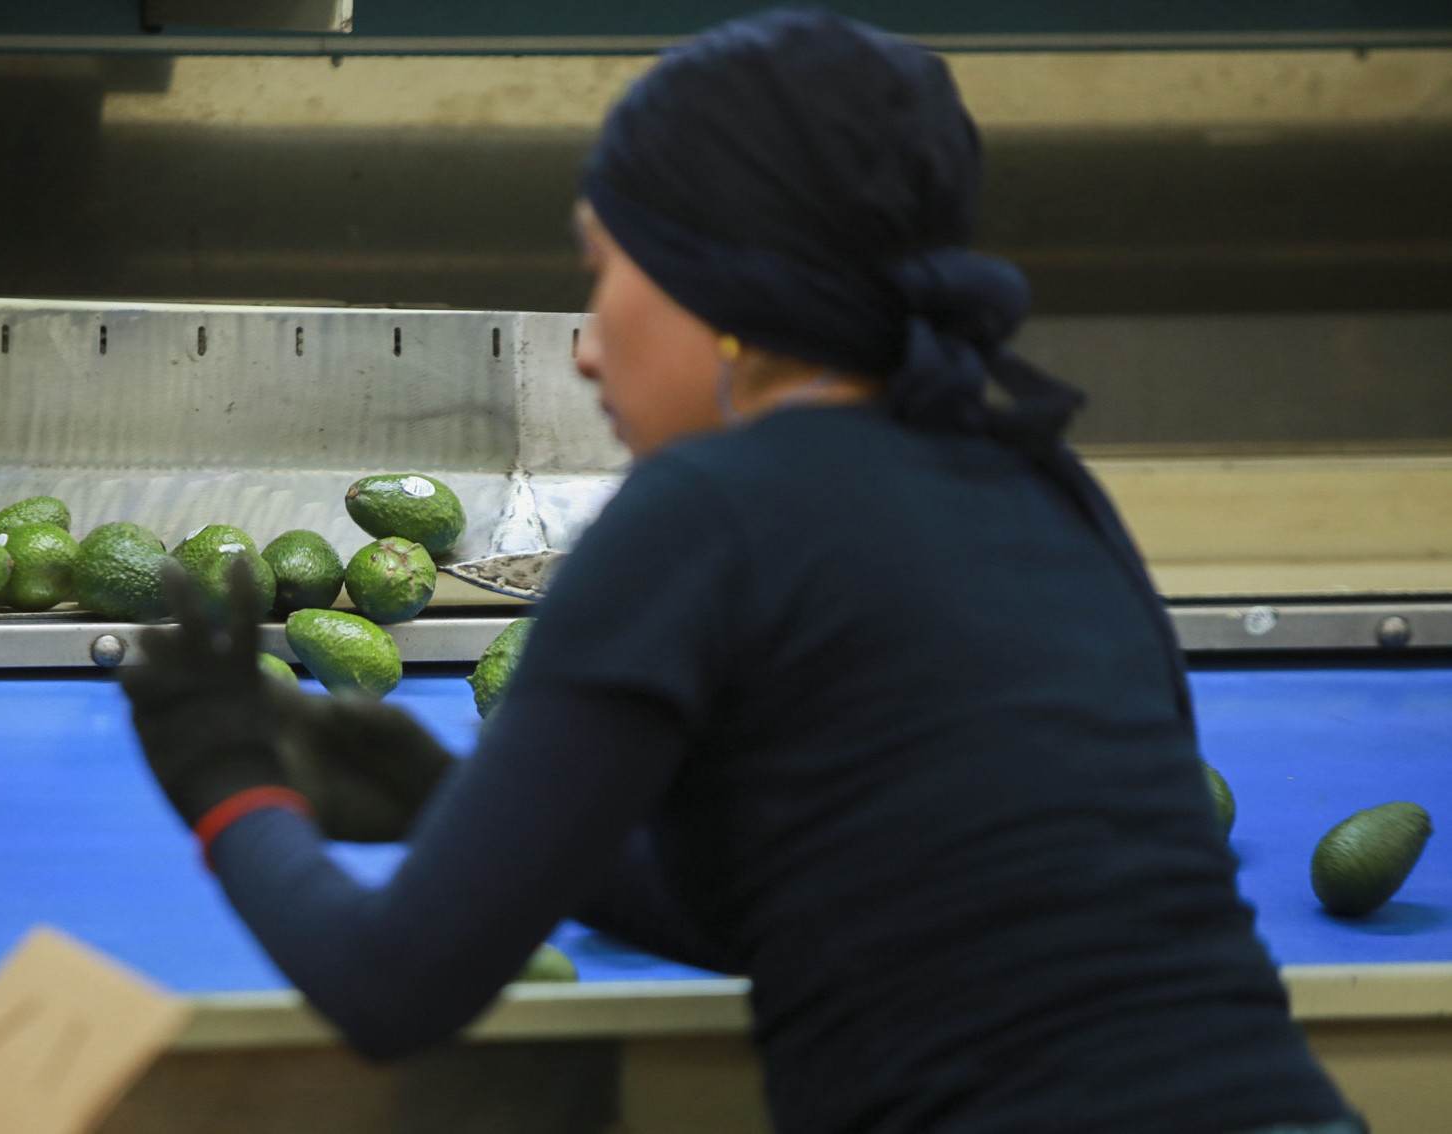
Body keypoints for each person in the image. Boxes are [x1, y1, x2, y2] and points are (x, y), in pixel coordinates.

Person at [122, 10, 1361, 1133]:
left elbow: (394, 989)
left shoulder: (706, 510)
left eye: (604, 270)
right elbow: (803, 911)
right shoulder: (1044, 486)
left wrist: (223, 778)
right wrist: (452, 803)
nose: (589, 347)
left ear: (723, 289)